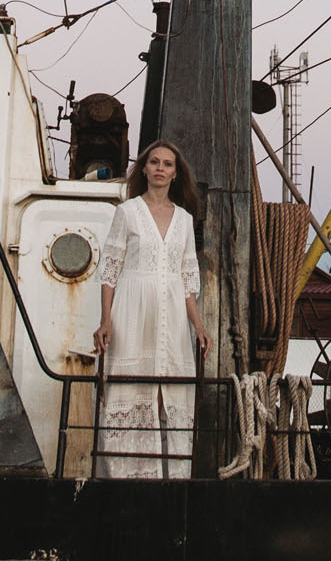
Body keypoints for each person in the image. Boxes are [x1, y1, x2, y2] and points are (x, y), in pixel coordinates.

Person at [90, 139, 211, 478]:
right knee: (130, 388)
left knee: (168, 391)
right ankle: (125, 474)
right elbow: (110, 271)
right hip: (132, 311)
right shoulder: (127, 212)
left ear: (175, 174)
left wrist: (198, 326)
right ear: (143, 169)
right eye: (154, 162)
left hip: (172, 315)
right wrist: (105, 321)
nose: (160, 168)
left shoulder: (185, 220)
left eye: (167, 164)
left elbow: (187, 279)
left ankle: (170, 478)